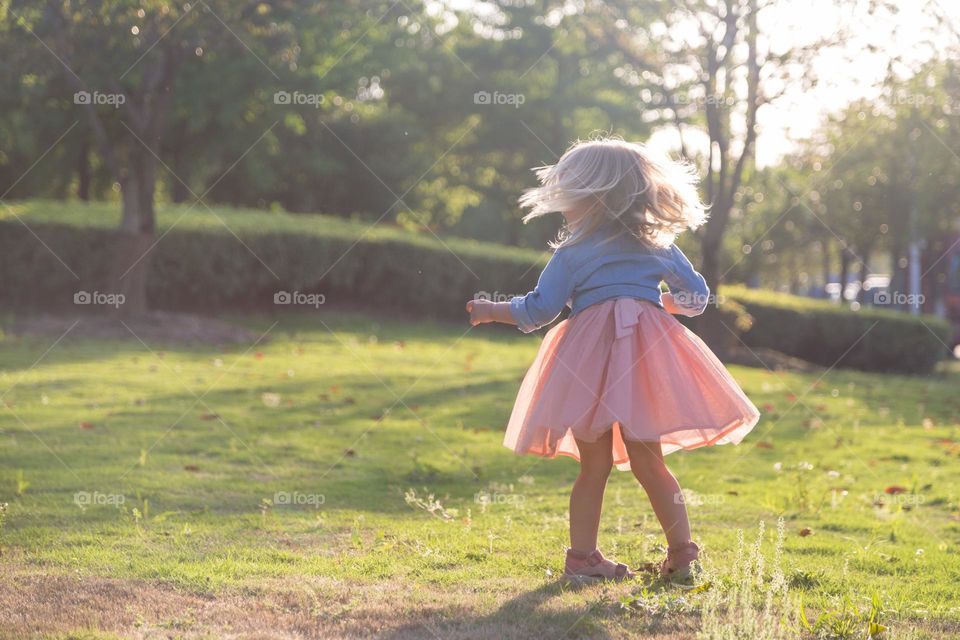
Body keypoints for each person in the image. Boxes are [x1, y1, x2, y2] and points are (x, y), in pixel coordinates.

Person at [466, 138, 760, 583]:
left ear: (591, 198)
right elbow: (697, 298)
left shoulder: (572, 253)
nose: (564, 206)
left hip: (588, 365)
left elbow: (540, 310)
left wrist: (493, 310)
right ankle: (682, 554)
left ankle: (582, 558)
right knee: (650, 462)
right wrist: (651, 301)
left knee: (594, 466)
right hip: (644, 359)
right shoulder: (657, 245)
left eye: (568, 195)